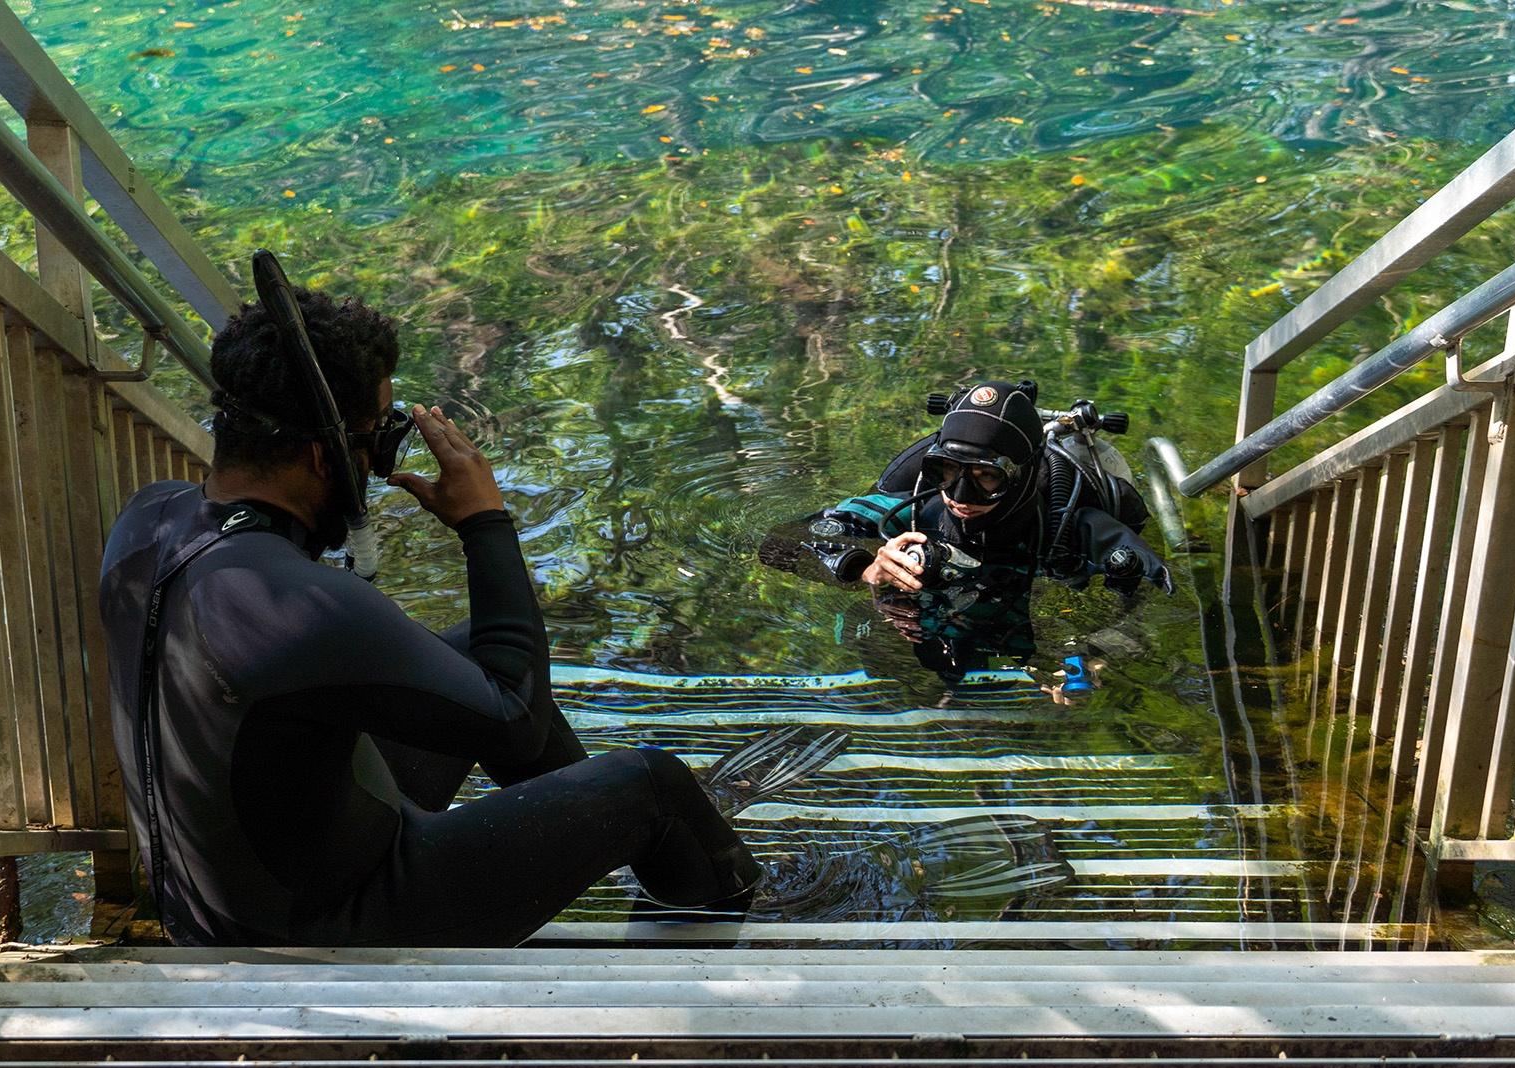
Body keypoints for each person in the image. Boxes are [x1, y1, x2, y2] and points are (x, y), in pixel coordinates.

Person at [98, 285, 767, 947]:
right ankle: (696, 958)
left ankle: (595, 835)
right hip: (319, 933)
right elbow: (515, 722)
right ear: (319, 454)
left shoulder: (151, 516)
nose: (387, 462)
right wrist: (485, 522)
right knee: (652, 786)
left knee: (478, 649)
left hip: (219, 898)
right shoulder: (297, 608)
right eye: (384, 437)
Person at [764, 378, 1171, 598]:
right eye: (947, 471)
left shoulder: (1074, 526)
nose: (959, 498)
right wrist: (862, 567)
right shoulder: (914, 509)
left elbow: (1158, 594)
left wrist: (1094, 658)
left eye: (987, 477)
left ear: (1023, 474)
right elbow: (776, 544)